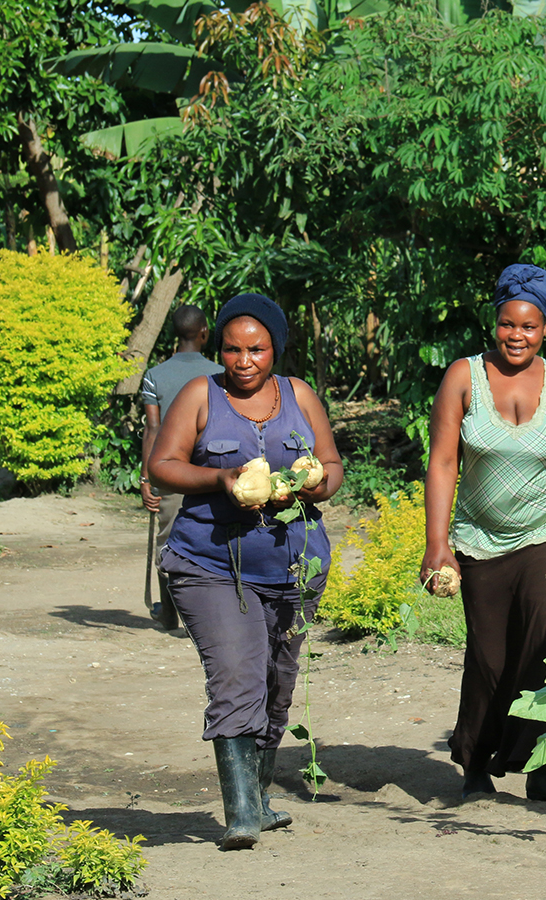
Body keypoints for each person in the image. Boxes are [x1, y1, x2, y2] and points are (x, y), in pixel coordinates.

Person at [147, 293, 343, 850]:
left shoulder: (299, 395)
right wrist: (220, 479)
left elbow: (332, 467)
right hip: (210, 563)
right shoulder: (199, 395)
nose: (243, 360)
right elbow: (161, 466)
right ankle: (240, 815)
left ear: (274, 349)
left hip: (294, 567)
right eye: (232, 349)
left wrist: (313, 482)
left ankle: (258, 795)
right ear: (219, 350)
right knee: (236, 674)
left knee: (277, 684)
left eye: (256, 349)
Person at [420, 264, 546, 803]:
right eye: (508, 325)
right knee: (490, 656)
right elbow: (442, 462)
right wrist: (438, 546)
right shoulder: (463, 376)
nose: (517, 336)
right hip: (480, 536)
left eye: (529, 327)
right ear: (495, 323)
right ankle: (476, 762)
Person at [140, 305, 223, 629]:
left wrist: (147, 477)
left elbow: (153, 430)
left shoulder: (155, 376)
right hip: (212, 471)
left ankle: (170, 613)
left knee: (168, 539)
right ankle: (207, 616)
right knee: (213, 538)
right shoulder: (219, 374)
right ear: (204, 332)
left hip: (171, 472)